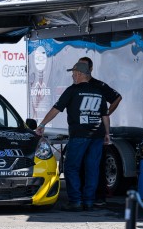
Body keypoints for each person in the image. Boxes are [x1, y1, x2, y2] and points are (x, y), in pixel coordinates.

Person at [35, 62, 110, 211]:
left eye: (74, 73)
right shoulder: (98, 91)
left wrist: (42, 124)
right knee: (92, 168)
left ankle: (75, 201)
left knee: (71, 167)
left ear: (80, 74)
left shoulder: (72, 90)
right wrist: (107, 133)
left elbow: (56, 109)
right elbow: (105, 115)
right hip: (97, 135)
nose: (72, 75)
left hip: (80, 135)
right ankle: (88, 201)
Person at [79, 57, 122, 206]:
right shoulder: (76, 85)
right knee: (80, 165)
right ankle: (84, 196)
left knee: (96, 164)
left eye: (83, 66)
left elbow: (117, 98)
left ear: (90, 69)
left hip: (97, 132)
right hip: (80, 133)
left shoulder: (99, 85)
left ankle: (99, 197)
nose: (80, 68)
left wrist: (106, 114)